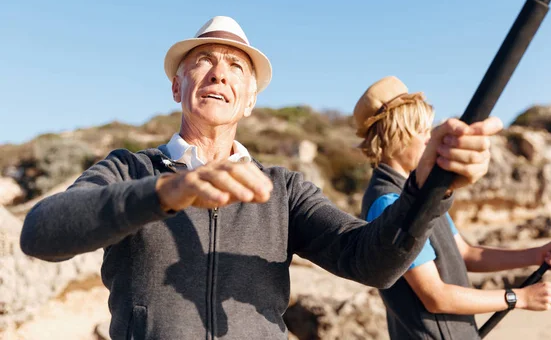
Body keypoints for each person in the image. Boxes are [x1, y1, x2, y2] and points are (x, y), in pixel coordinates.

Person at [20, 17, 502, 340]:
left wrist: (426, 187)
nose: (218, 74)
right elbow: (41, 232)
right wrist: (165, 192)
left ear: (249, 100)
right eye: (203, 61)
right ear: (177, 86)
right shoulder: (131, 171)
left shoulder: (284, 190)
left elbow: (369, 262)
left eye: (235, 66)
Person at [354, 76, 551, 340]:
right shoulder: (387, 202)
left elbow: (466, 253)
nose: (429, 140)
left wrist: (536, 255)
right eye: (422, 131)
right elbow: (436, 298)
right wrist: (520, 297)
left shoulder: (419, 194)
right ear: (395, 134)